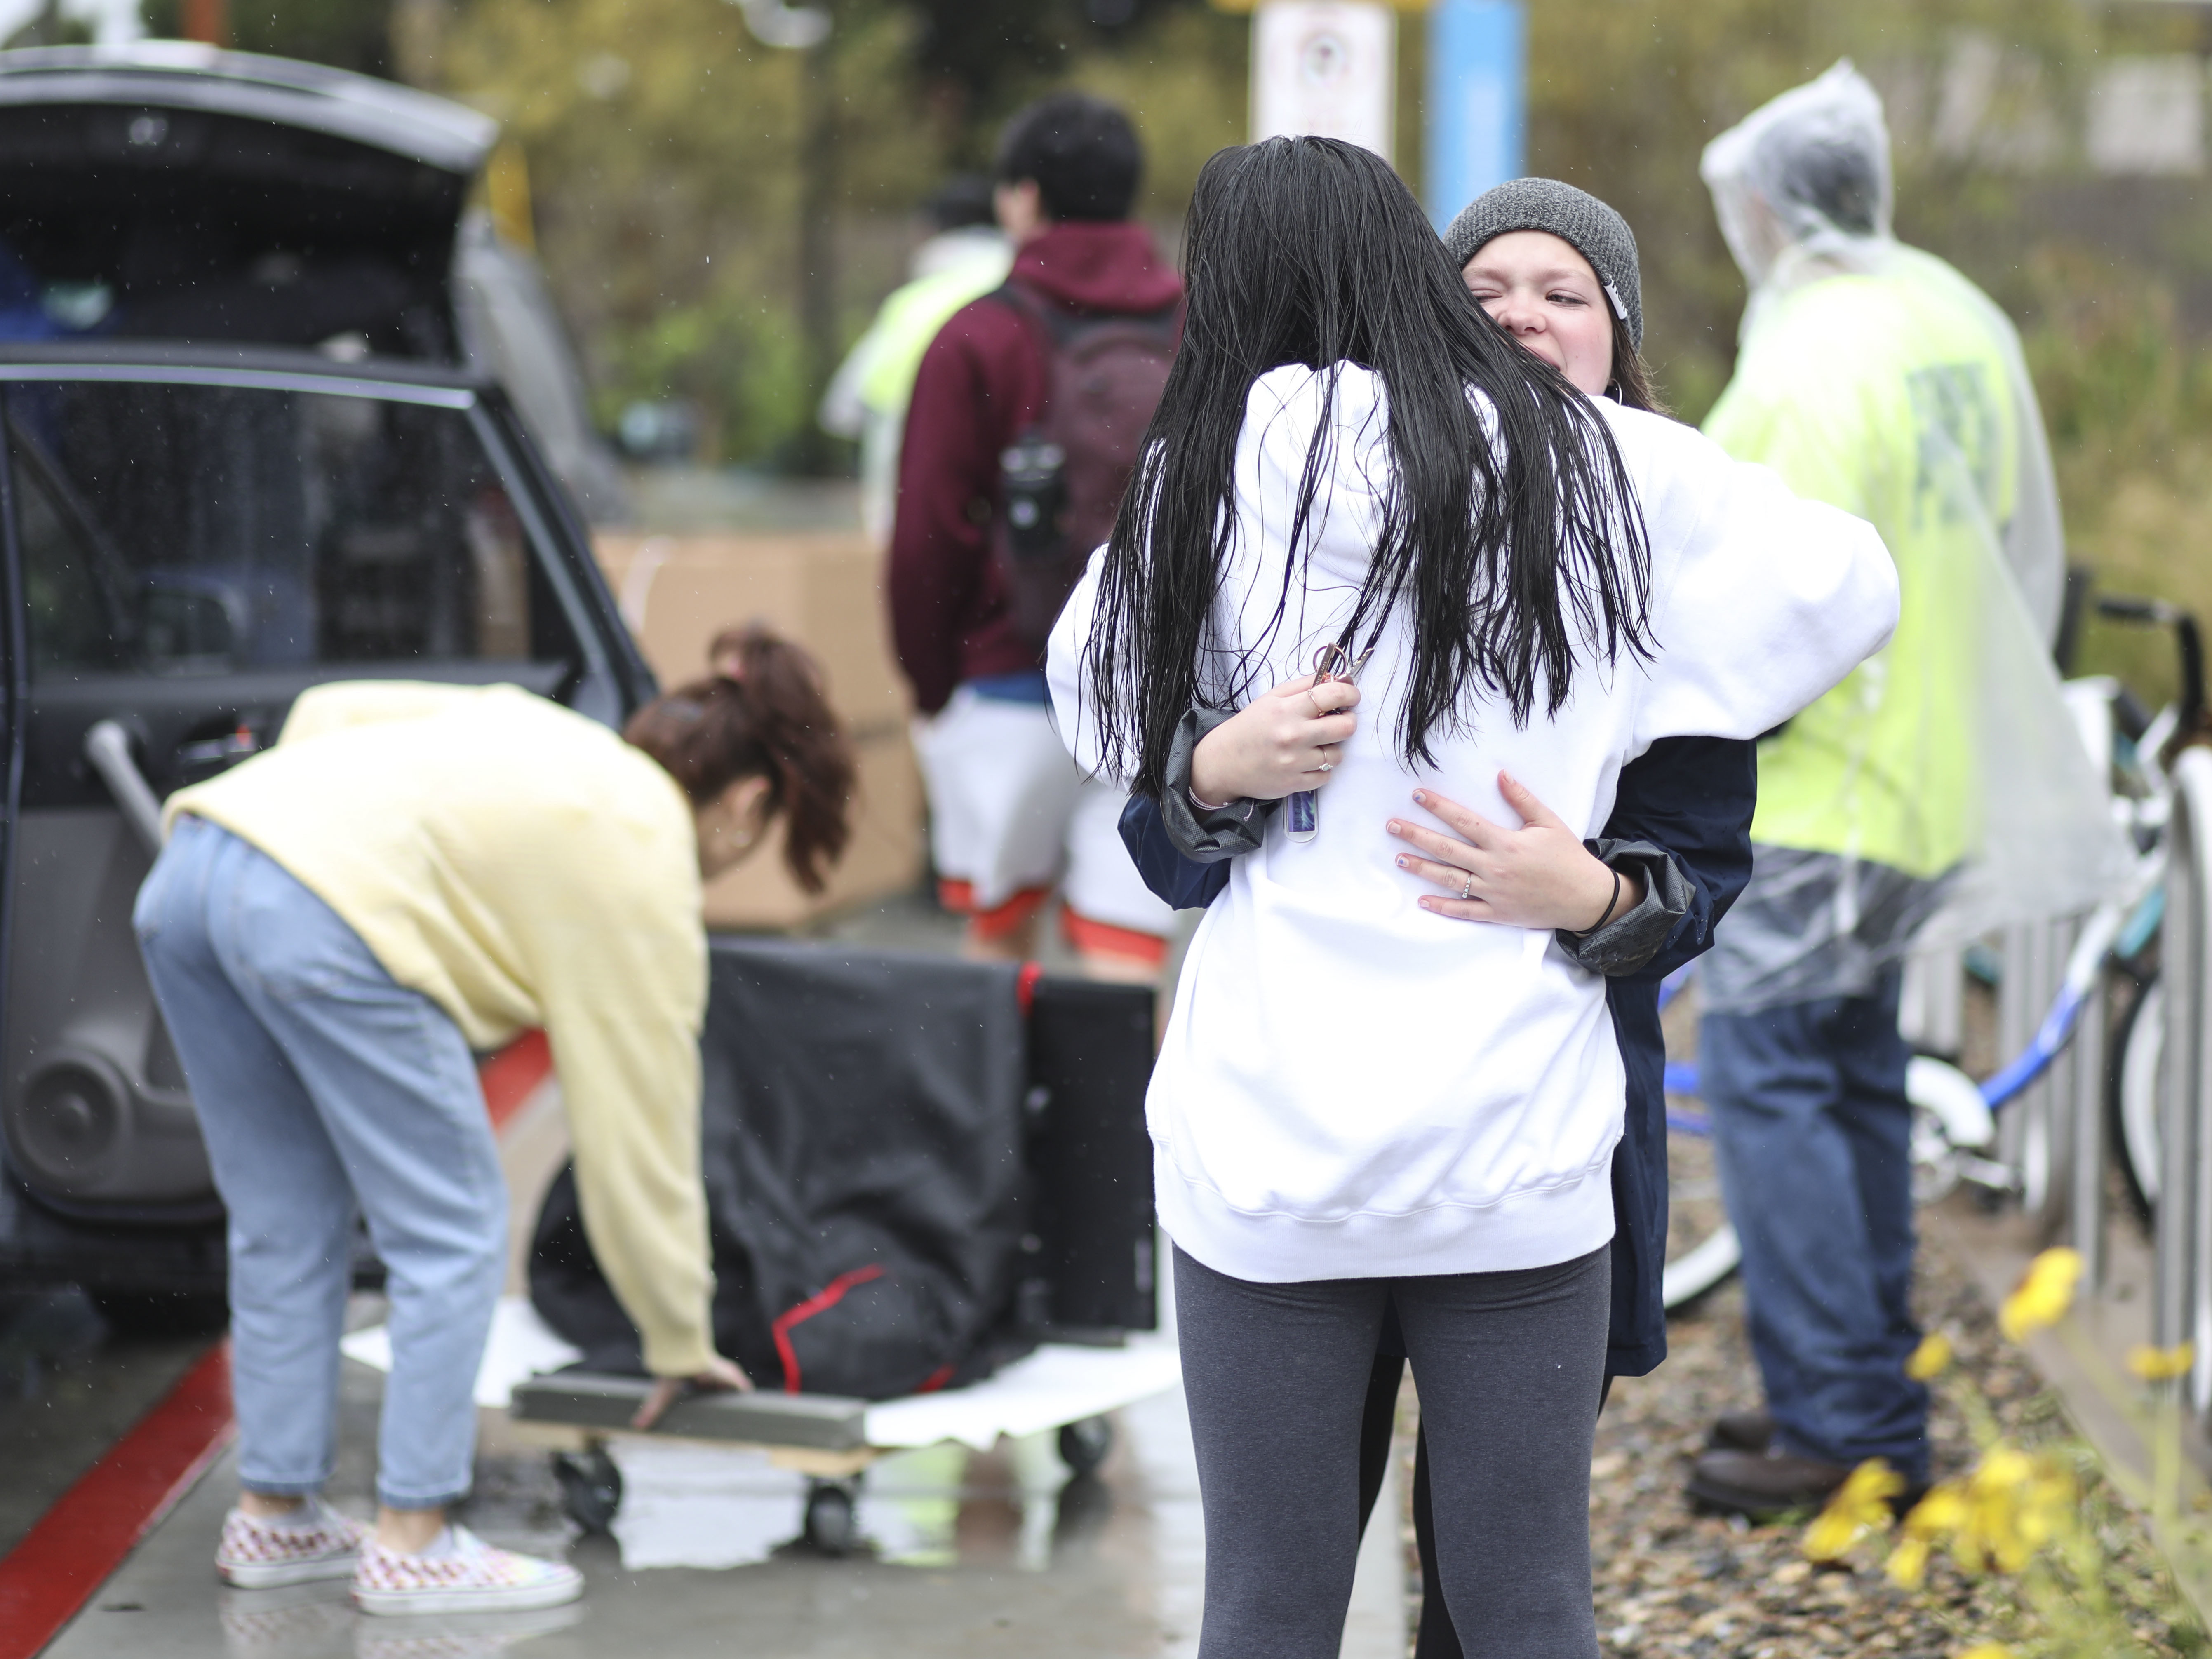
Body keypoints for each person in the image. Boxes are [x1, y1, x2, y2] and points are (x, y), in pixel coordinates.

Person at [1051, 135, 1897, 1657]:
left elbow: (1087, 693)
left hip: (1269, 1149)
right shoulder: (1620, 484)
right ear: (1414, 290)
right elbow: (1843, 586)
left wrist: (1590, 886)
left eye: (1556, 291)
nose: (1514, 318)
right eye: (1482, 286)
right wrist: (1217, 769)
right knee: (1523, 1600)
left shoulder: (1214, 469)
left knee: (1267, 1598)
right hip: (1512, 1141)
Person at [133, 627, 855, 1614]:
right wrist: (677, 1332)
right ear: (744, 801)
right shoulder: (644, 845)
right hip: (320, 915)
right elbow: (638, 1125)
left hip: (196, 866)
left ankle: (277, 1508)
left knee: (284, 1216)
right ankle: (414, 1535)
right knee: (453, 1226)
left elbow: (336, 705)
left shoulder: (544, 734)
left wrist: (313, 819)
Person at [1682, 62, 2106, 1516]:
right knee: (1850, 1082)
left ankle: (1840, 1421)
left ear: (1772, 203)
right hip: (1920, 779)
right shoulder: (1946, 321)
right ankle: (1862, 1395)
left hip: (1815, 791)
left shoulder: (1806, 360)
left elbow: (1754, 602)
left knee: (1771, 1084)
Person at [890, 92, 1180, 980]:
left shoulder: (979, 336)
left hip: (1008, 666)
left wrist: (933, 678)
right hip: (1152, 678)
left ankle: (997, 1117)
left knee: (998, 937)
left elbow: (928, 533)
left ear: (1021, 198)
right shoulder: (1198, 330)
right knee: (1126, 944)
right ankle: (1118, 1118)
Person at [818, 175, 1013, 546]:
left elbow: (842, 410)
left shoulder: (910, 308)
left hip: (919, 520)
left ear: (928, 232)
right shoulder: (1026, 297)